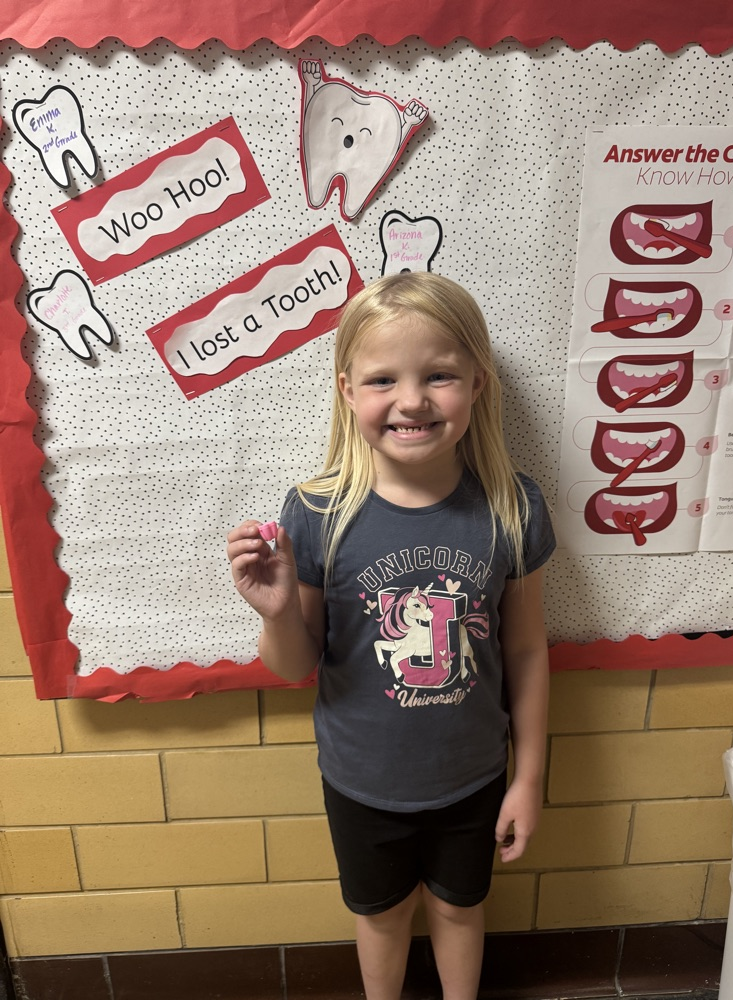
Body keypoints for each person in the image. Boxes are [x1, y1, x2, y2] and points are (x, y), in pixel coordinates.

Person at [227, 272, 555, 1000]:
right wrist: (276, 612)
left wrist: (528, 777)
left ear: (478, 383)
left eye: (438, 375)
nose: (411, 400)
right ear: (347, 390)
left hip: (473, 776)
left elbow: (528, 650)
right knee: (381, 916)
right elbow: (293, 668)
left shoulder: (512, 506)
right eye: (383, 379)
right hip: (362, 782)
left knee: (459, 908)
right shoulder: (316, 512)